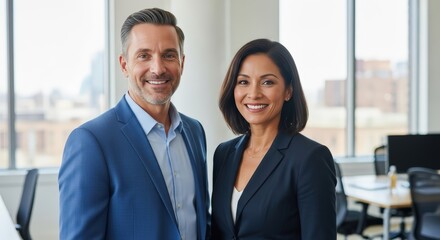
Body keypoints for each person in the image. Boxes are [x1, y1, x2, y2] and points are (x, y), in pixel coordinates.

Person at [59, 8, 210, 240]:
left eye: (169, 55)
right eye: (144, 55)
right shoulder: (91, 141)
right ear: (124, 65)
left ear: (182, 63)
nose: (158, 68)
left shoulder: (194, 132)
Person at [211, 38, 336, 239]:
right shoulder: (224, 154)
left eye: (267, 82)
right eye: (243, 82)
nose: (253, 93)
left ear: (288, 91)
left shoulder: (310, 158)